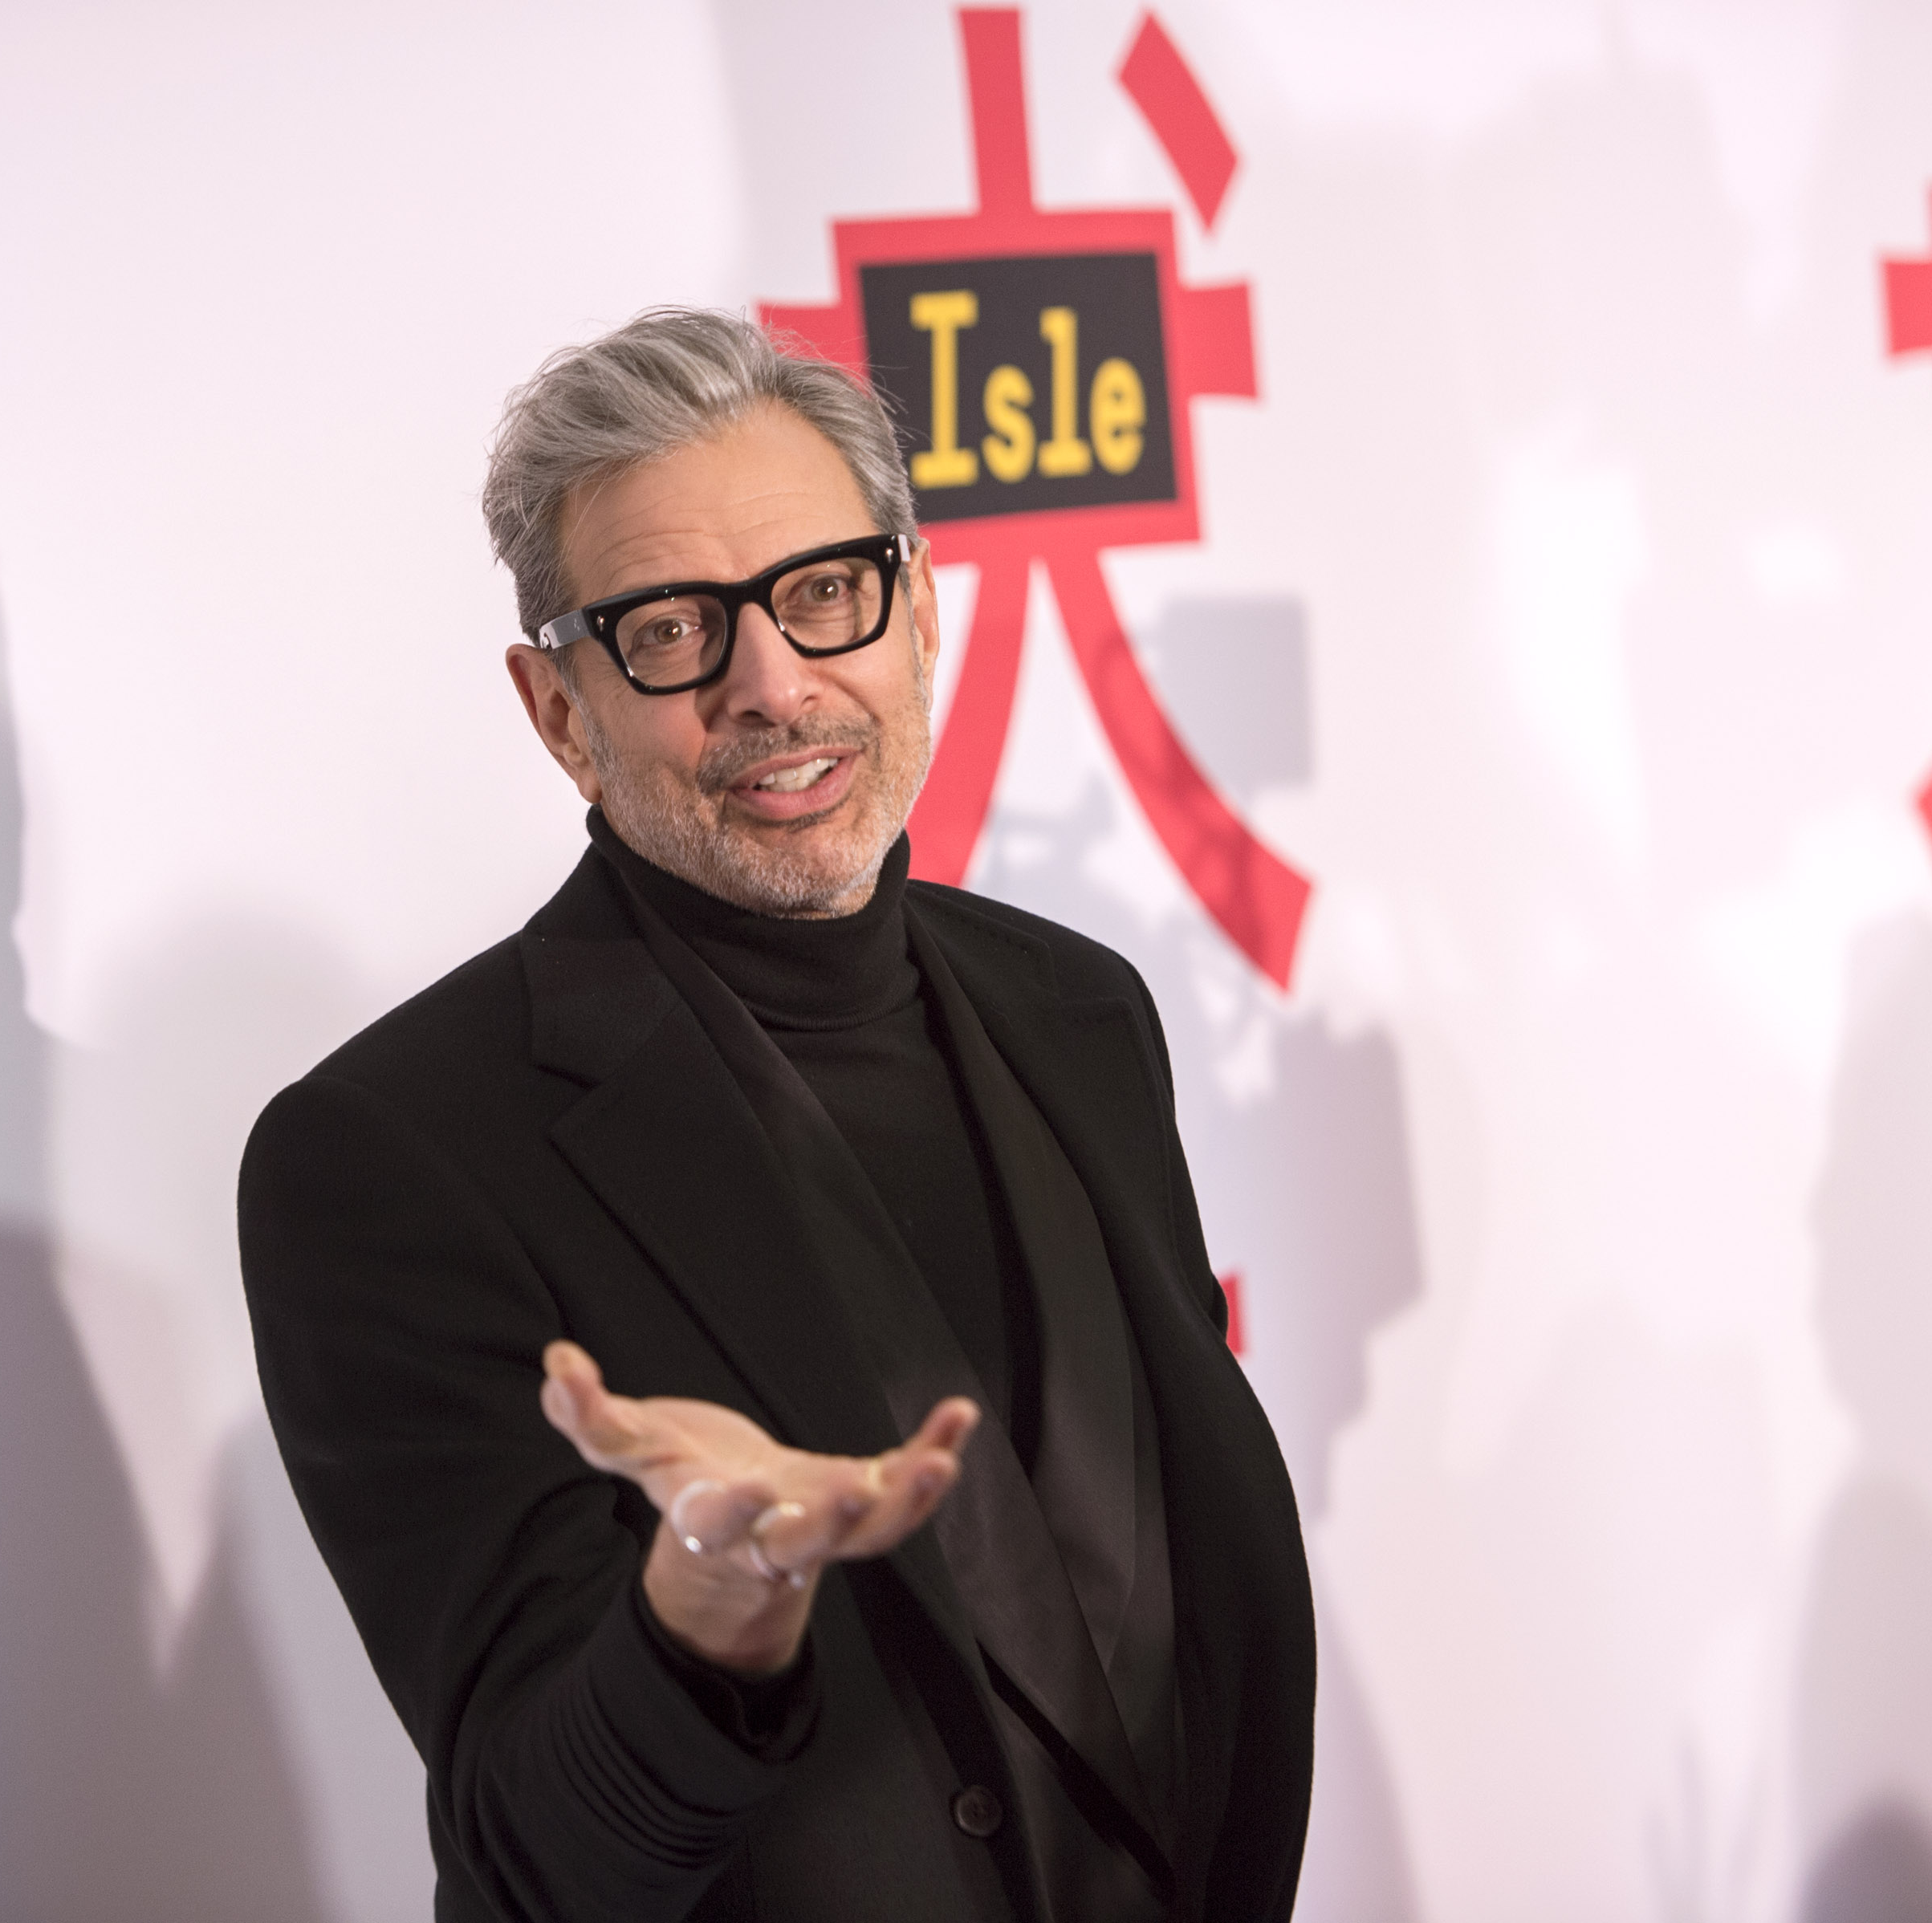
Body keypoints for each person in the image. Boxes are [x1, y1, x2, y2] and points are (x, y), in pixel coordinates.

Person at [238, 307, 1313, 1923]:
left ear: (920, 611)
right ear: (558, 713)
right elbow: (538, 1854)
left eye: (824, 594)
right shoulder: (393, 1156)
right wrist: (705, 1619)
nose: (776, 682)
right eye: (673, 630)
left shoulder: (1086, 1016)